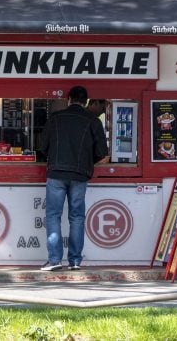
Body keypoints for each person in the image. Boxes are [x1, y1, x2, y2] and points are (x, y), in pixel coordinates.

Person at [40, 85, 109, 271]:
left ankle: (54, 261)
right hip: (80, 175)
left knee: (53, 215)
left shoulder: (55, 119)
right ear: (86, 101)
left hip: (56, 174)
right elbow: (102, 153)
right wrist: (87, 162)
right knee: (77, 217)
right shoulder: (93, 122)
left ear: (68, 99)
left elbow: (42, 148)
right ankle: (75, 261)